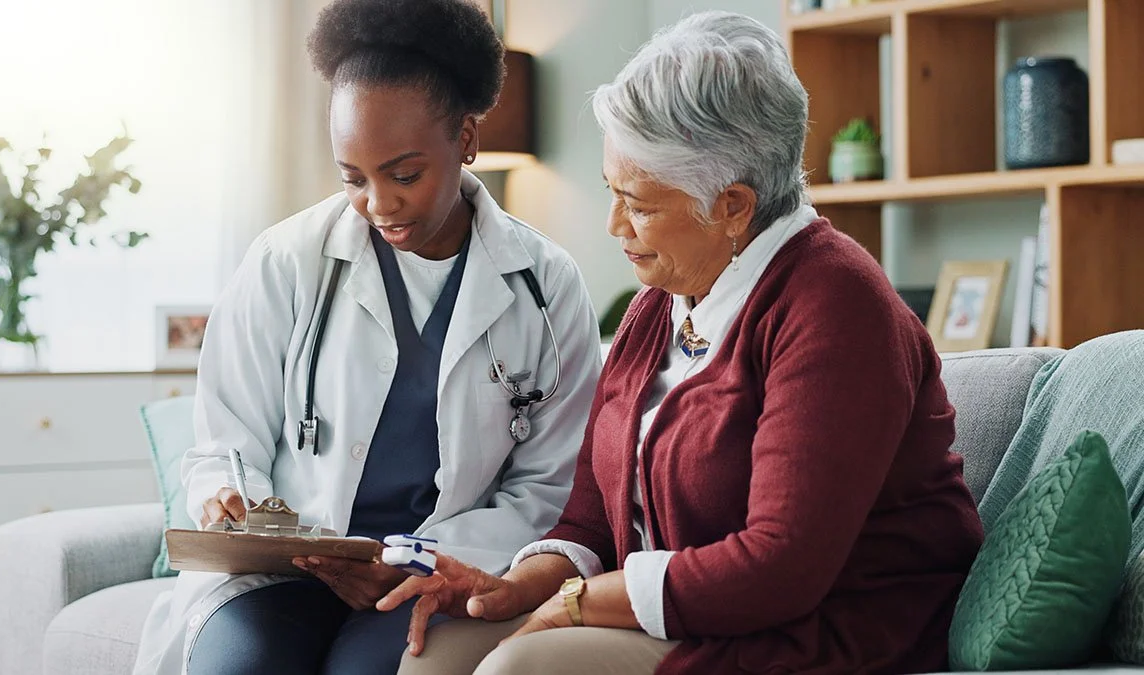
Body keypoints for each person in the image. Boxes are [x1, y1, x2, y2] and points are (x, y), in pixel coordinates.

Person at [380, 11, 984, 675]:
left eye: (638, 203)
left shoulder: (835, 304)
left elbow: (780, 567)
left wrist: (583, 600)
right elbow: (589, 522)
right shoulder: (655, 309)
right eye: (614, 192)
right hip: (675, 609)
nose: (614, 224)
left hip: (819, 624)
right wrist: (513, 588)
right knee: (434, 653)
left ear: (732, 206)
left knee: (518, 670)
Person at [131, 1, 603, 673]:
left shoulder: (547, 286)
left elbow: (546, 489)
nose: (379, 203)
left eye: (404, 173)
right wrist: (228, 498)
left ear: (466, 138)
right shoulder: (286, 261)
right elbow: (225, 442)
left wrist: (415, 560)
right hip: (287, 572)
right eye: (353, 177)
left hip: (430, 575)